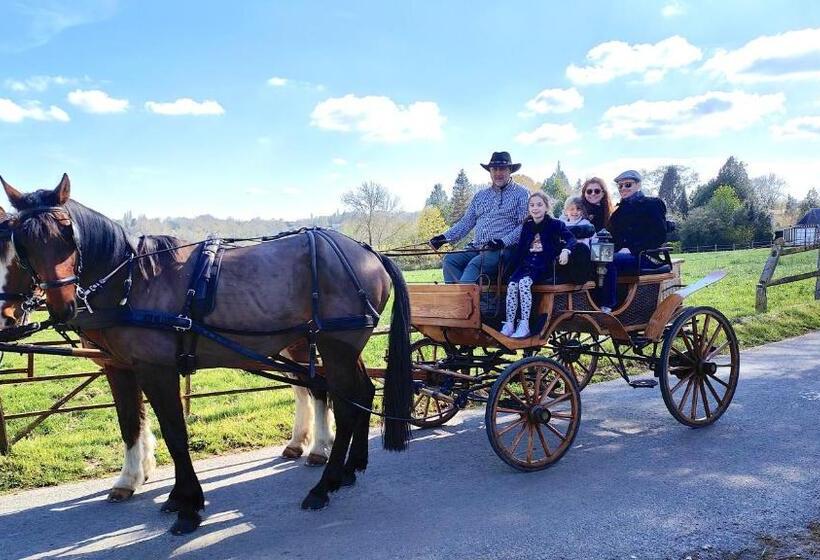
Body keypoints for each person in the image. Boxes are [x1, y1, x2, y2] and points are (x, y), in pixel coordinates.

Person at [429, 151, 530, 284]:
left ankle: (465, 302)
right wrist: (444, 238)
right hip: (477, 247)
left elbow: (525, 226)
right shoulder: (480, 196)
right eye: (494, 169)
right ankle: (460, 302)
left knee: (474, 266)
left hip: (504, 250)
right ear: (490, 171)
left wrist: (503, 241)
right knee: (450, 260)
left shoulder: (522, 194)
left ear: (510, 170)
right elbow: (466, 223)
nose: (498, 173)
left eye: (502, 169)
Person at [501, 192, 576, 338]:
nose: (535, 208)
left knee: (524, 284)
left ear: (547, 207)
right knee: (511, 285)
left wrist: (566, 251)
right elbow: (521, 249)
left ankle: (525, 324)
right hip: (526, 263)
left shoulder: (555, 224)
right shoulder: (527, 226)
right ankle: (510, 324)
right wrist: (510, 269)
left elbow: (571, 239)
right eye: (532, 205)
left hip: (544, 264)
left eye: (539, 205)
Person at [599, 169, 667, 311]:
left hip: (645, 256)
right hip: (622, 257)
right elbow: (612, 238)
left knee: (608, 261)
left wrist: (632, 249)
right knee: (594, 260)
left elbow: (659, 234)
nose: (623, 188)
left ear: (638, 185)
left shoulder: (652, 204)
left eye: (628, 185)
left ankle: (607, 306)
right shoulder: (618, 212)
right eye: (620, 186)